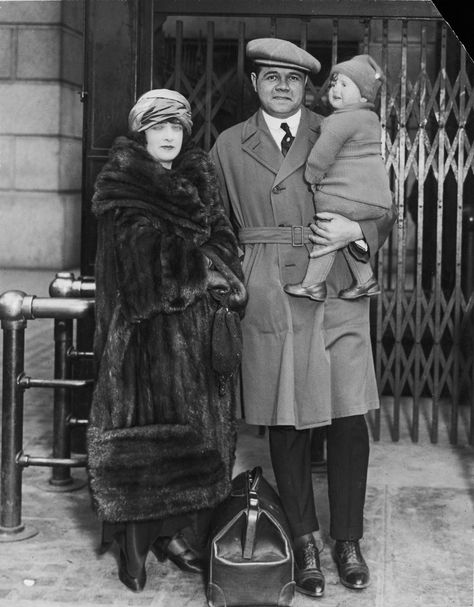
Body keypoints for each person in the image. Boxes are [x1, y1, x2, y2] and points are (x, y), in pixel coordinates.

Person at [210, 38, 396, 599]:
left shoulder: (339, 125)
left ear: (309, 84)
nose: (283, 86)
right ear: (255, 83)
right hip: (269, 288)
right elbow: (216, 225)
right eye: (271, 76)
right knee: (286, 420)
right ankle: (306, 539)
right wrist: (232, 282)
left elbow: (382, 202)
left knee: (347, 417)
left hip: (336, 277)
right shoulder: (227, 144)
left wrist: (356, 233)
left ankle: (348, 539)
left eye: (294, 78)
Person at [86, 89, 246, 593]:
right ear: (142, 133)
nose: (169, 136)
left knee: (192, 444)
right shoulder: (124, 188)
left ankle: (173, 535)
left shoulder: (199, 179)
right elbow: (146, 273)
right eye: (158, 128)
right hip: (143, 343)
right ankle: (134, 547)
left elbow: (228, 248)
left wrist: (206, 264)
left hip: (196, 342)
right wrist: (207, 270)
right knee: (147, 446)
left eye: (176, 127)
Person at [284, 54, 393, 302]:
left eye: (345, 85)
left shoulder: (339, 120)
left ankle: (313, 284)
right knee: (342, 235)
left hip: (346, 196)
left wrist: (312, 178)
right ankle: (365, 280)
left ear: (364, 96)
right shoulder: (371, 118)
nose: (335, 89)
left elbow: (321, 156)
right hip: (375, 198)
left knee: (327, 229)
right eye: (334, 83)